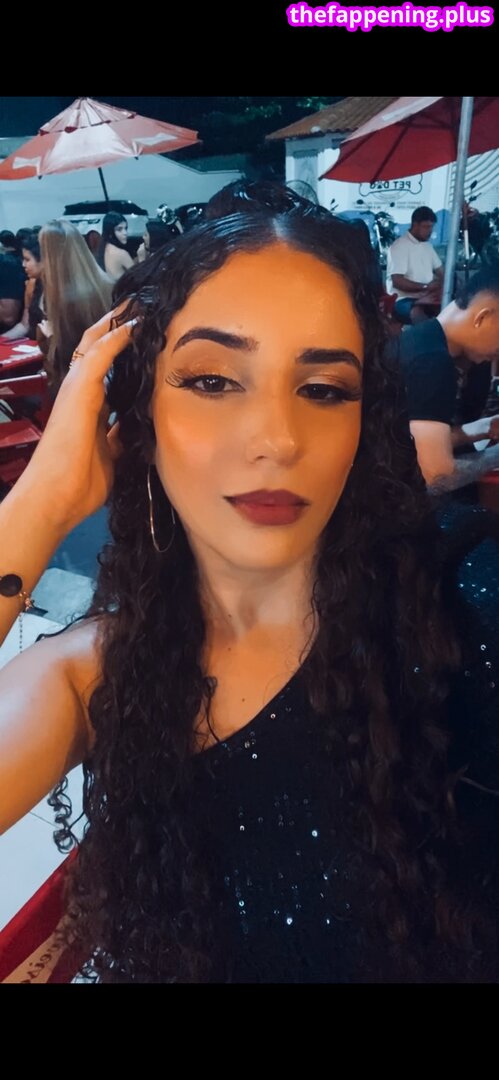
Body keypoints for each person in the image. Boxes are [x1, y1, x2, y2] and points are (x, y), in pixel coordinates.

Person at [1, 209, 499, 984]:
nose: (276, 439)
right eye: (211, 381)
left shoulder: (460, 599)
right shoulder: (96, 672)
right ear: (137, 412)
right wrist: (41, 503)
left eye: (323, 389)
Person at [392, 267, 499, 491]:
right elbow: (437, 477)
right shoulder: (431, 363)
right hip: (392, 497)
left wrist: (483, 427)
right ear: (482, 317)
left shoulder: (421, 339)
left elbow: (416, 441)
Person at [36, 220, 113, 392]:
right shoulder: (106, 285)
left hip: (80, 386)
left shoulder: (64, 300)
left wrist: (49, 336)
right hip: (111, 379)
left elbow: (68, 358)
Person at [387, 206, 443, 325]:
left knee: (451, 309)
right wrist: (425, 287)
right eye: (426, 227)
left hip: (427, 296)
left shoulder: (427, 246)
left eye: (431, 227)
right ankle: (422, 336)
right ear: (415, 225)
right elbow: (397, 281)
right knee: (417, 312)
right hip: (402, 299)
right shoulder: (399, 246)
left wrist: (444, 285)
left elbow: (441, 271)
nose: (430, 231)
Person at [1, 231, 44, 341]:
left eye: (27, 259)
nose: (23, 264)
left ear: (43, 260)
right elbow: (25, 325)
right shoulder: (32, 284)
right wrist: (3, 339)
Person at [96, 212, 134, 283]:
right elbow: (138, 278)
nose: (125, 233)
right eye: (119, 229)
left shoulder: (103, 248)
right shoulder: (121, 254)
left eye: (125, 228)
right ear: (110, 232)